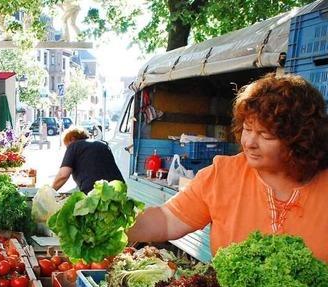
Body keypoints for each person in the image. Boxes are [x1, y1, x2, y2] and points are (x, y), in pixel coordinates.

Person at [127, 73, 328, 262]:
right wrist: (114, 228)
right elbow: (168, 219)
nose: (249, 142)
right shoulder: (223, 174)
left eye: (266, 135)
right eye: (247, 129)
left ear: (300, 140)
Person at [52, 126, 124, 193]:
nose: (67, 149)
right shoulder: (102, 145)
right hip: (118, 189)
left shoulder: (74, 146)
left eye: (67, 145)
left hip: (95, 192)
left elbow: (63, 176)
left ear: (72, 139)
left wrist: (50, 192)